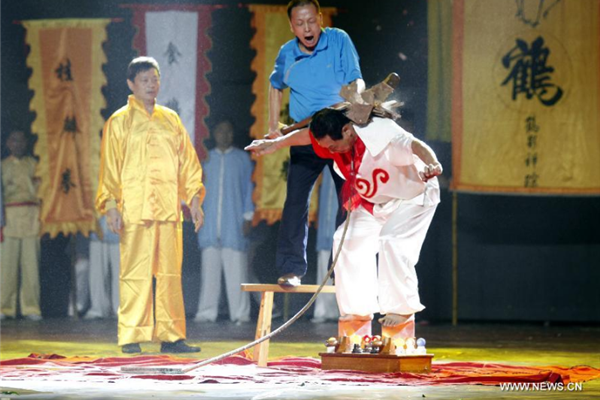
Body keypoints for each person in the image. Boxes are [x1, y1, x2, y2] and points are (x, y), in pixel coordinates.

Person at [246, 87, 442, 331]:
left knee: (391, 240)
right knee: (345, 240)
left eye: (333, 146)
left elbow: (416, 146)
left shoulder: (380, 133)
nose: (330, 152)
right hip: (375, 202)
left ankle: (400, 310)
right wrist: (276, 143)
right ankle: (357, 313)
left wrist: (433, 164)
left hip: (413, 195)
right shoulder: (336, 140)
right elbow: (308, 136)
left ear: (347, 130)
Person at [96, 56, 205, 354]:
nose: (151, 84)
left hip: (169, 210)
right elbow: (110, 167)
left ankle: (172, 336)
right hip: (135, 210)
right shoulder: (119, 121)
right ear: (131, 84)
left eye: (154, 79)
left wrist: (194, 200)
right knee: (135, 273)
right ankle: (131, 335)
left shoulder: (170, 118)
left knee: (170, 274)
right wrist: (111, 205)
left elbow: (188, 164)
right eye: (144, 80)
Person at [267, 0, 364, 287]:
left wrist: (357, 101)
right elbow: (275, 87)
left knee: (349, 200)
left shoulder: (338, 40)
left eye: (311, 21)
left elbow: (355, 78)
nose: (307, 28)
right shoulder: (287, 53)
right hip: (305, 137)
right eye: (300, 23)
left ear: (320, 19)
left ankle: (342, 266)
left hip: (336, 134)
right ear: (292, 26)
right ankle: (291, 269)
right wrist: (273, 126)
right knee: (295, 202)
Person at [194, 120, 253, 324]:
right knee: (209, 274)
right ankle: (206, 312)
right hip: (210, 225)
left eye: (228, 131)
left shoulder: (243, 159)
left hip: (233, 224)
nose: (224, 135)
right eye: (220, 131)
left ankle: (240, 313)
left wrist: (248, 215)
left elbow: (249, 189)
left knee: (236, 273)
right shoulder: (206, 159)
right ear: (214, 133)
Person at [0, 130, 42, 321]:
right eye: (14, 140)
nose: (17, 144)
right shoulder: (2, 166)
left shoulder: (35, 165)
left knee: (31, 266)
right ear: (8, 143)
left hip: (31, 217)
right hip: (8, 219)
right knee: (6, 267)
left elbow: (41, 193)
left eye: (21, 140)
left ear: (26, 143)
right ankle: (5, 307)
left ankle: (31, 307)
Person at [311, 169, 340, 323]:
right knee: (324, 270)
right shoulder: (325, 167)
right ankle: (322, 311)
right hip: (324, 227)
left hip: (344, 229)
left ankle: (343, 311)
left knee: (344, 273)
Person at [84, 216, 120, 320]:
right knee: (97, 269)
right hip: (98, 217)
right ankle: (98, 307)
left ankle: (119, 306)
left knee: (119, 269)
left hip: (119, 216)